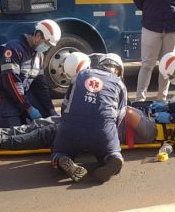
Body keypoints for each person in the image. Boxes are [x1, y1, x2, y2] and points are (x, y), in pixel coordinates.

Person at [0, 53, 158, 152]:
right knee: (41, 124)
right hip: (81, 124)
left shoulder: (141, 120)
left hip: (92, 132)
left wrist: (126, 113)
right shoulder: (115, 90)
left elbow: (142, 127)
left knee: (43, 133)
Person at [52, 54, 129, 183]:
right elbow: (120, 115)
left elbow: (65, 106)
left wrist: (65, 126)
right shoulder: (119, 84)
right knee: (112, 152)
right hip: (102, 129)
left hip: (72, 127)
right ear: (118, 70)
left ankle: (61, 159)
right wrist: (110, 135)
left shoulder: (80, 75)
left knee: (59, 151)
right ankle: (113, 158)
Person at [0, 19, 61, 128]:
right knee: (12, 131)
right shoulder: (13, 49)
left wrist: (51, 109)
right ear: (38, 36)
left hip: (23, 98)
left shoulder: (38, 56)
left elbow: (40, 85)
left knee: (48, 121)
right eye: (47, 44)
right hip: (4, 98)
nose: (47, 48)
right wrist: (28, 108)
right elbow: (11, 83)